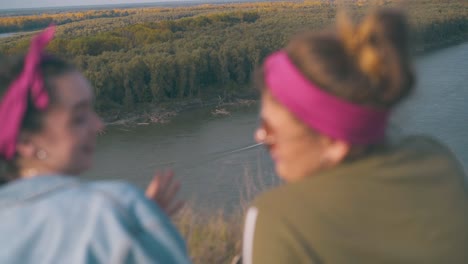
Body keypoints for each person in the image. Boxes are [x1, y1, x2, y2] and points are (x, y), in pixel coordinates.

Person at [242, 8, 468, 264]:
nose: (259, 136)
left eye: (270, 129)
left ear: (334, 142)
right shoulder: (436, 159)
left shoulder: (278, 220)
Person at [0, 26, 190, 263]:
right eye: (79, 118)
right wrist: (135, 226)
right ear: (25, 141)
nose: (98, 125)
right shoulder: (113, 209)